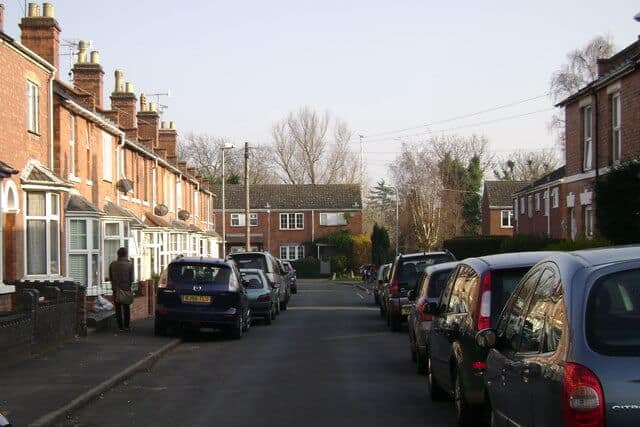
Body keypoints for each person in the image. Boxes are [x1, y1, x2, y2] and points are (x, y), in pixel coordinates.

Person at [109, 247, 134, 332]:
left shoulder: (112, 264)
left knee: (118, 309)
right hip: (126, 289)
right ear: (126, 254)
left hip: (116, 289)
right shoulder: (130, 265)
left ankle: (120, 327)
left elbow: (110, 277)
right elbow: (132, 279)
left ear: (118, 254)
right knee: (126, 308)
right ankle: (126, 326)